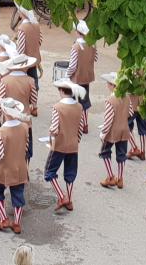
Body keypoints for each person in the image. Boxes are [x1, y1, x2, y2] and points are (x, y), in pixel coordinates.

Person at [0, 97, 31, 233]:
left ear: (4, 111)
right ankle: (17, 223)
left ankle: (4, 219)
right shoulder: (25, 127)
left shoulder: (0, 132)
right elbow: (26, 148)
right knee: (18, 195)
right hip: (20, 167)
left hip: (4, 169)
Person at [45, 78, 85, 211]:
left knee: (50, 172)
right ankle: (69, 199)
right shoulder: (79, 107)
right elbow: (80, 128)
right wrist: (75, 140)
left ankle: (62, 196)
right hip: (73, 145)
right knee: (70, 173)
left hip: (59, 145)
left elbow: (54, 129)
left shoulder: (58, 107)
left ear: (61, 91)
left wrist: (50, 141)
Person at [98, 72, 129, 189]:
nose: (107, 85)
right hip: (124, 129)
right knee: (121, 154)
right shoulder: (126, 97)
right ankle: (120, 179)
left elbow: (108, 120)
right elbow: (130, 113)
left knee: (105, 152)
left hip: (112, 131)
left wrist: (103, 133)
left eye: (108, 83)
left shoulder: (110, 100)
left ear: (112, 85)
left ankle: (110, 176)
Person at [68, 19, 97, 133]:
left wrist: (67, 76)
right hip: (88, 75)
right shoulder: (92, 44)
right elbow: (95, 58)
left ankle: (76, 123)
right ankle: (85, 123)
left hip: (77, 77)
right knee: (85, 99)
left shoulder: (76, 47)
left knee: (74, 100)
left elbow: (72, 65)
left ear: (77, 32)